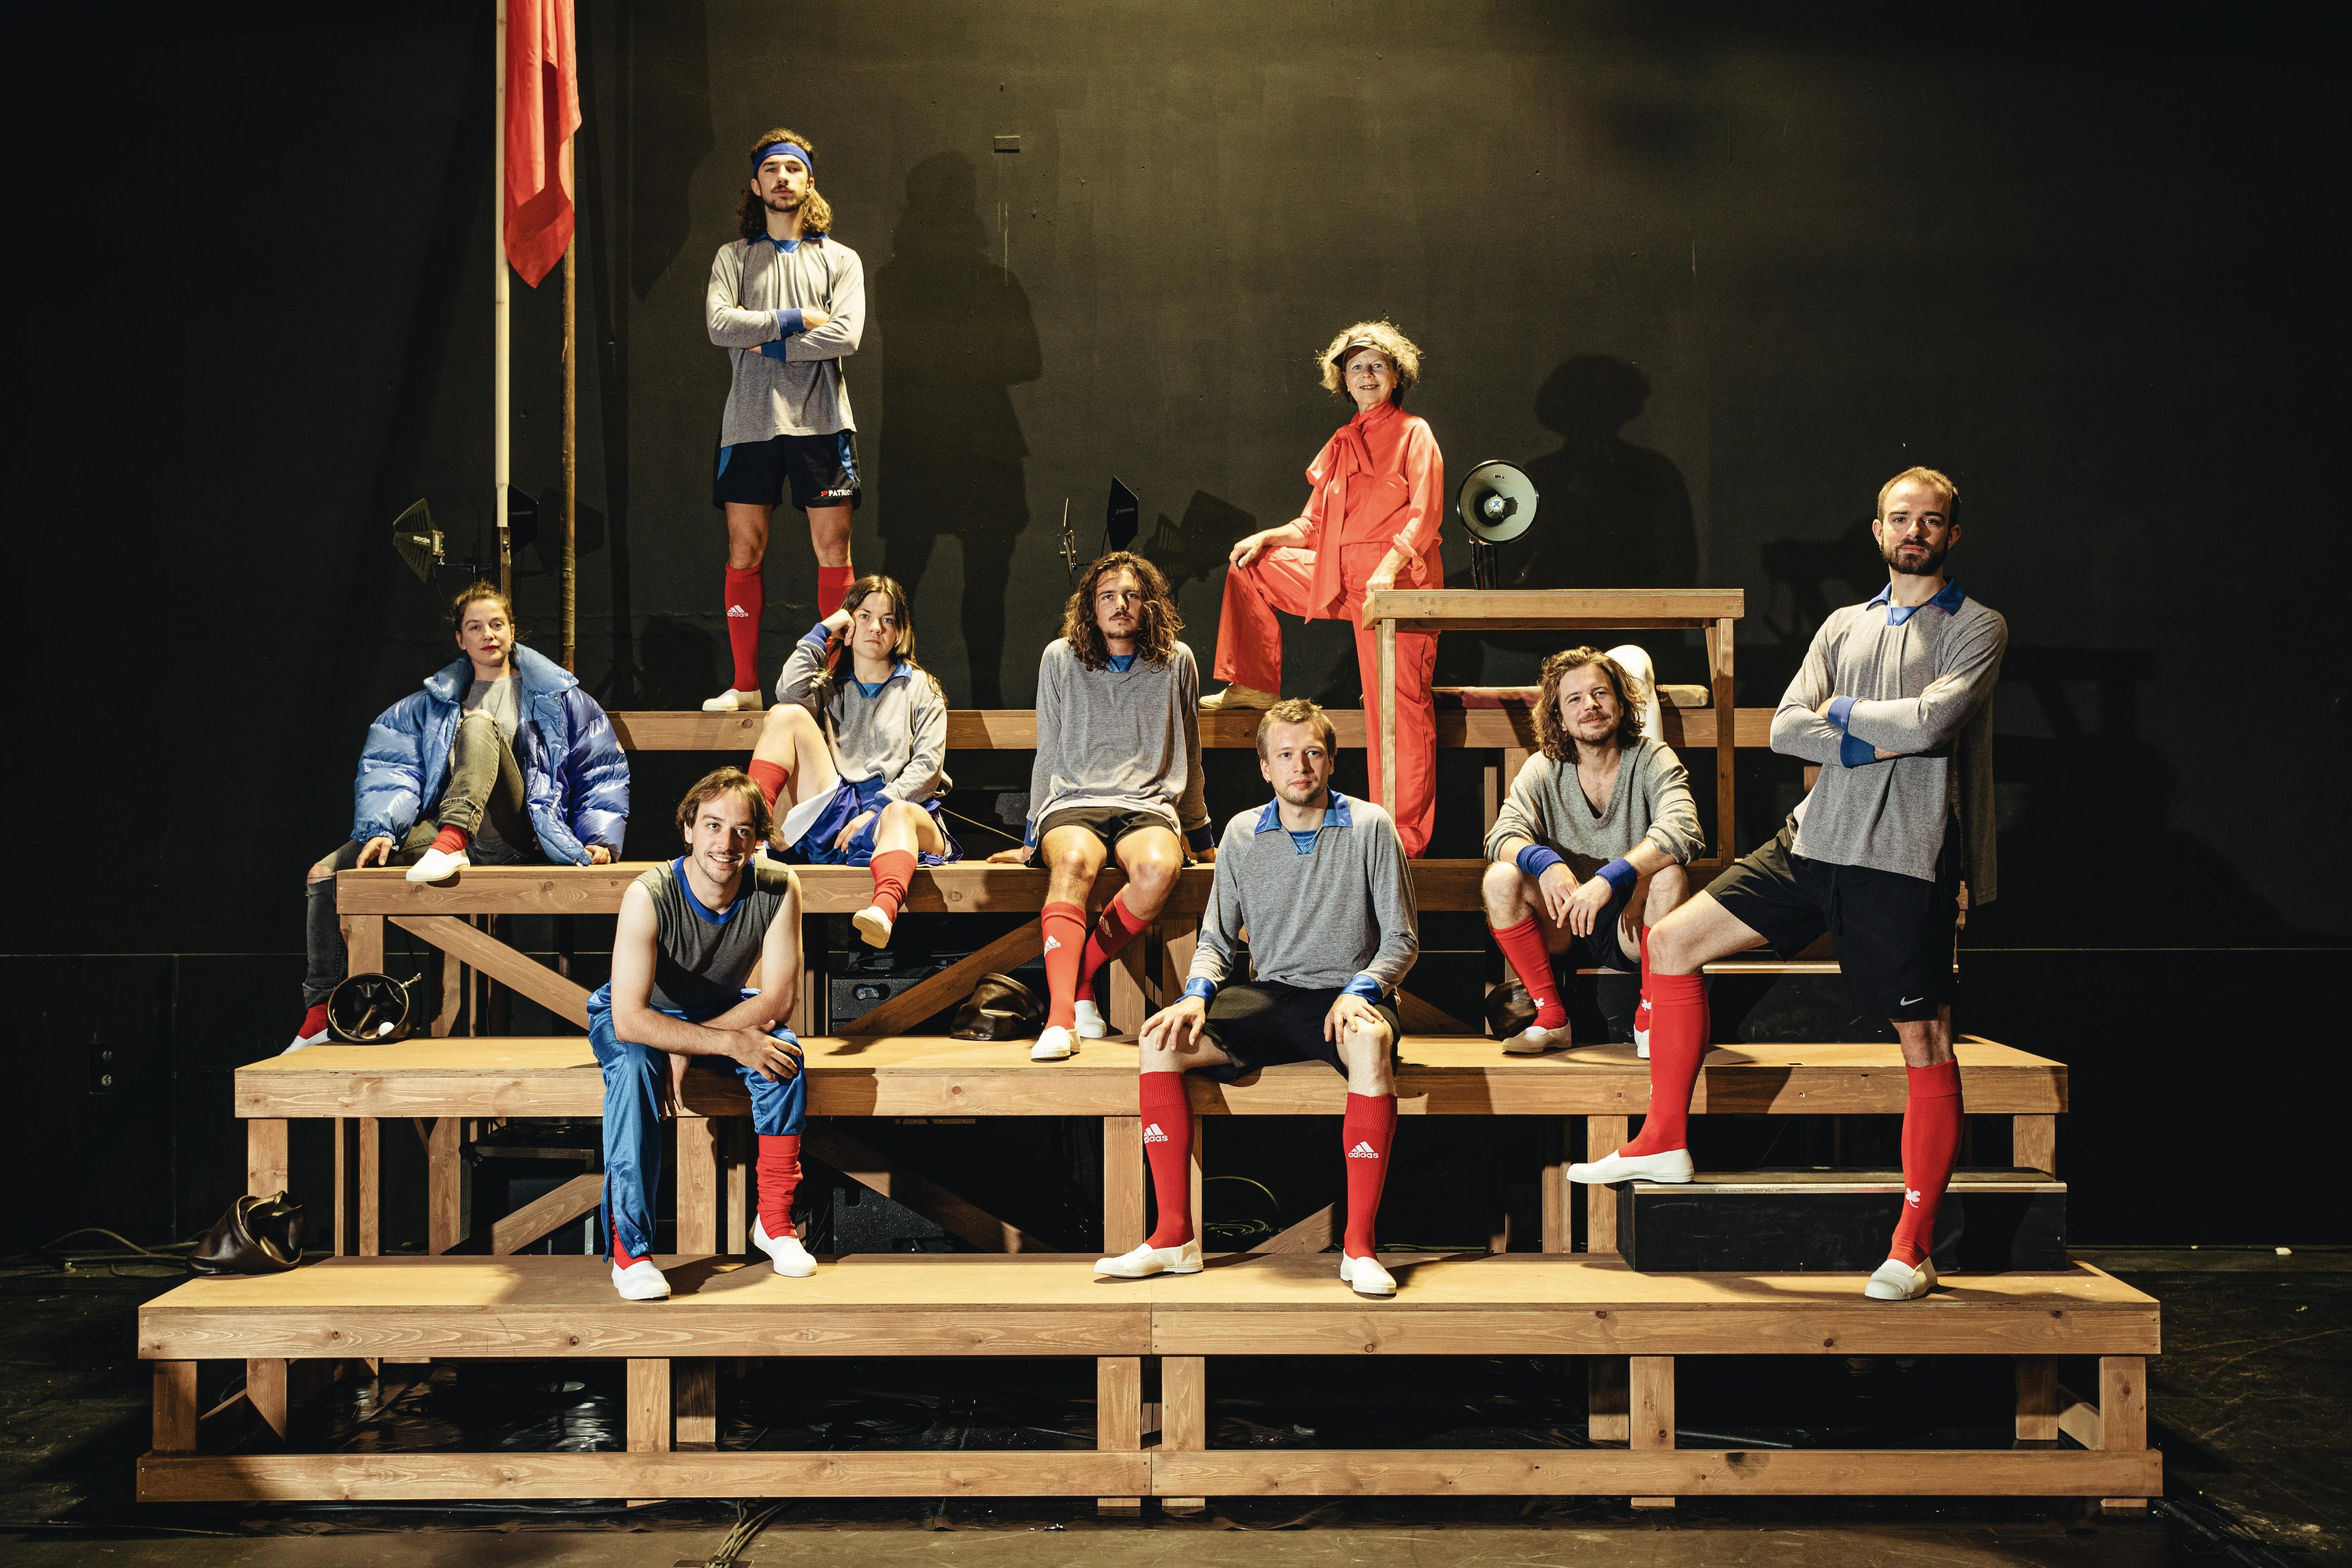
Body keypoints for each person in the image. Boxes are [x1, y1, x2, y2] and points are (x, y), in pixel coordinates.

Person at [1570, 467, 2006, 1304]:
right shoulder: (1844, 623)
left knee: (1924, 1042)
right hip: (1813, 842)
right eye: (1900, 518)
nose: (1914, 531)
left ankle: (1911, 1249)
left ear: (1953, 535)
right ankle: (1664, 1136)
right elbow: (1782, 726)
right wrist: (1864, 725)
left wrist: (1840, 716)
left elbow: (1934, 721)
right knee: (1671, 939)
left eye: (1932, 520)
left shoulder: (1978, 625)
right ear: (1878, 531)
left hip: (1902, 857)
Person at [1098, 700, 1418, 1297]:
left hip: (1348, 994)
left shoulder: (1371, 826)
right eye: (1286, 756)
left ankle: (1359, 1247)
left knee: (1371, 1043)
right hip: (1270, 995)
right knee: (1158, 1039)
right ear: (1265, 768)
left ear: (1330, 761)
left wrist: (1362, 991)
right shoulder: (1243, 834)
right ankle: (1174, 1240)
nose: (1301, 766)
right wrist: (1194, 997)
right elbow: (1217, 940)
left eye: (1313, 753)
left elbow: (1401, 940)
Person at [293, 583, 627, 1050]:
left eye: (497, 624)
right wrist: (381, 829)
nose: (488, 634)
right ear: (460, 640)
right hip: (449, 842)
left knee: (478, 726)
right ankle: (318, 1017)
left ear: (513, 631)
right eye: (475, 627)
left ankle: (449, 841)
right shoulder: (430, 705)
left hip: (519, 835)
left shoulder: (559, 699)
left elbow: (600, 770)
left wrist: (598, 839)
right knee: (325, 873)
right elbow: (393, 770)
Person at [1200, 320, 1444, 856]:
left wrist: (1392, 564)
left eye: (1376, 366)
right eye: (1355, 367)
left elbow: (1425, 514)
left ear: (1395, 374)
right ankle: (1253, 684)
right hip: (1341, 575)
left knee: (1399, 708)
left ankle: (1402, 842)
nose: (1366, 375)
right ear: (1342, 380)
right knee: (1250, 565)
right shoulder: (1341, 442)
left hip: (1398, 586)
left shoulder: (1413, 432)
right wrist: (1270, 535)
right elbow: (1311, 527)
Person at [592, 770, 812, 1301]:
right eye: (712, 825)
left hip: (717, 1012)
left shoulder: (779, 886)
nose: (726, 842)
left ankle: (775, 1224)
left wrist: (691, 1041)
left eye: (741, 830)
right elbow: (629, 1019)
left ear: (756, 838)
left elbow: (779, 1000)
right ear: (688, 828)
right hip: (638, 1016)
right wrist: (699, 1042)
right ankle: (632, 1250)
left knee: (784, 1055)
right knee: (633, 1067)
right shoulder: (649, 894)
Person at [987, 552, 1215, 1062]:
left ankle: (1084, 972)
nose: (1119, 605)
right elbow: (1047, 752)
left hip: (1148, 803)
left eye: (1131, 596)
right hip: (1073, 801)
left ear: (1148, 605)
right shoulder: (1060, 659)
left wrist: (1201, 840)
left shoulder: (1176, 660)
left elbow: (1191, 752)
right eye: (1107, 596)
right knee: (1070, 864)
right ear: (1090, 607)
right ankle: (1061, 1019)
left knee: (1158, 869)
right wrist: (1029, 843)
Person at [702, 127, 867, 712]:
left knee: (833, 552)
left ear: (808, 182)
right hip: (750, 425)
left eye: (792, 169)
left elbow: (846, 336)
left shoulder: (840, 258)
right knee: (744, 551)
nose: (781, 179)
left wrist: (766, 340)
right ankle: (746, 686)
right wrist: (798, 318)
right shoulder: (733, 257)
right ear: (756, 184)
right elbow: (720, 326)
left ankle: (835, 685)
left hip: (822, 422)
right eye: (771, 169)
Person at [1484, 646, 1700, 1053]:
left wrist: (1611, 876)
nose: (1591, 706)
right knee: (1501, 878)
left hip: (1630, 924)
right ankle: (1552, 1017)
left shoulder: (1652, 758)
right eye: (1575, 699)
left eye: (1601, 693)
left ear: (1620, 702)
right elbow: (1502, 835)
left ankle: (1652, 1015)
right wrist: (1545, 863)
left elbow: (1684, 830)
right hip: (1563, 922)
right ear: (1560, 719)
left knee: (1670, 875)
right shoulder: (1543, 768)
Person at [745, 573, 958, 949]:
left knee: (899, 814)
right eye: (864, 616)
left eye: (888, 619)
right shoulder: (830, 685)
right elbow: (787, 691)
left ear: (899, 631)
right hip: (838, 813)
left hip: (900, 813)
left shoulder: (921, 686)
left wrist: (877, 808)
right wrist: (824, 629)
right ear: (849, 623)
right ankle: (752, 837)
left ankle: (882, 910)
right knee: (784, 714)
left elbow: (928, 768)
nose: (876, 627)